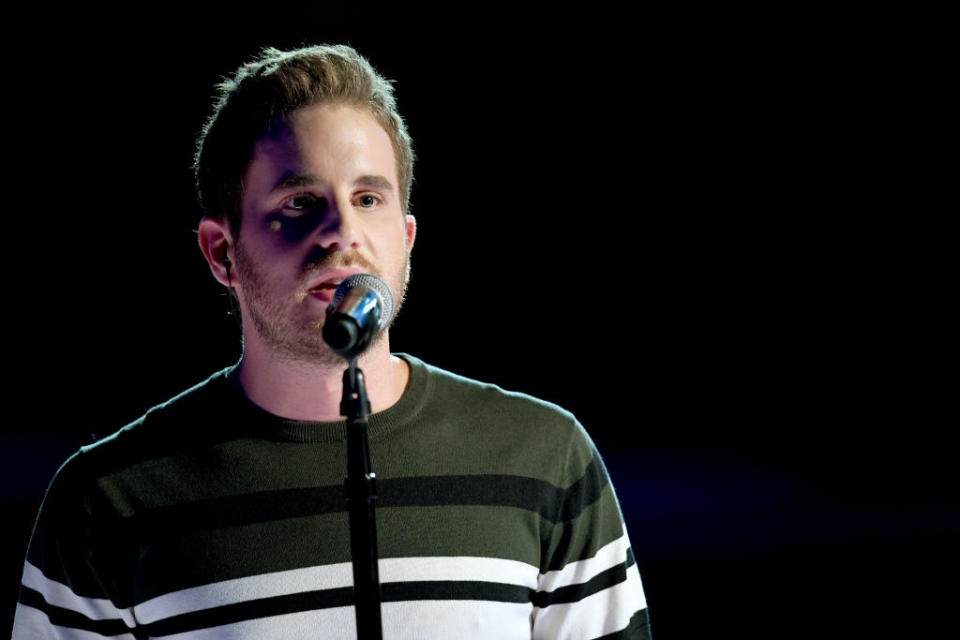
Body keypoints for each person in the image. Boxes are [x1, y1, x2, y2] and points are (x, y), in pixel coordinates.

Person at [13, 44, 651, 639]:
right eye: (298, 203)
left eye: (368, 197)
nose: (342, 232)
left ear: (406, 239)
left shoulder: (544, 459)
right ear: (221, 251)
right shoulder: (106, 502)